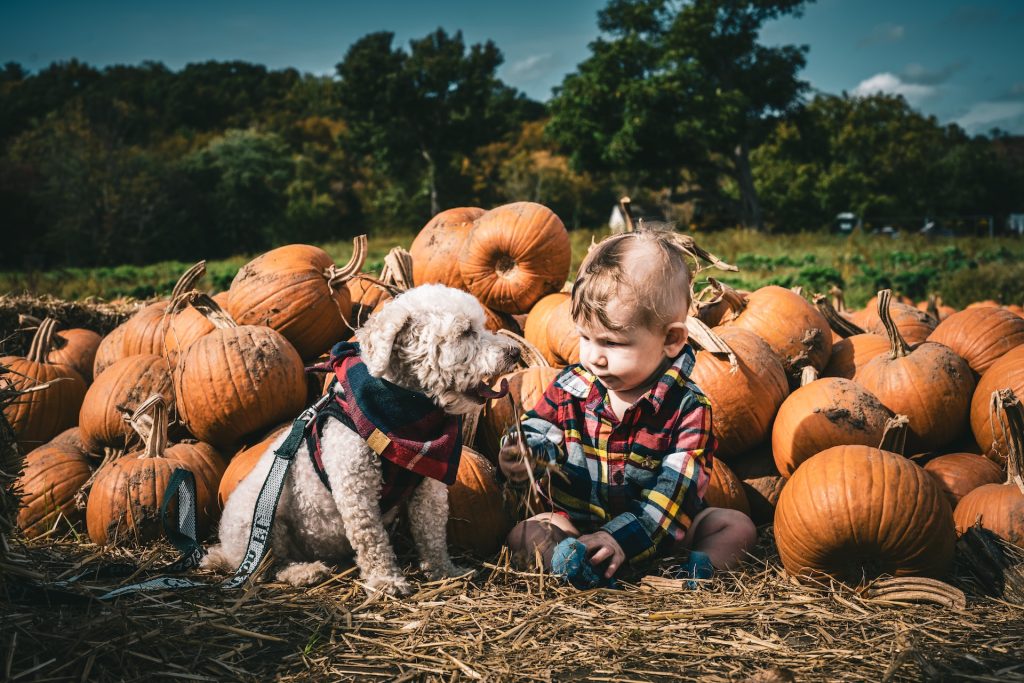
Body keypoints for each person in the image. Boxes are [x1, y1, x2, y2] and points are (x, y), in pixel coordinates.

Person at [498, 228, 757, 588]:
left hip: (661, 536)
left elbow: (674, 496)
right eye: (585, 337)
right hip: (579, 527)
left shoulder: (688, 407)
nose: (593, 356)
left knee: (735, 528)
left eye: (612, 342)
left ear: (671, 339)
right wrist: (523, 451)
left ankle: (682, 578)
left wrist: (621, 538)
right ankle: (575, 565)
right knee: (526, 533)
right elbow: (540, 430)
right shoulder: (574, 384)